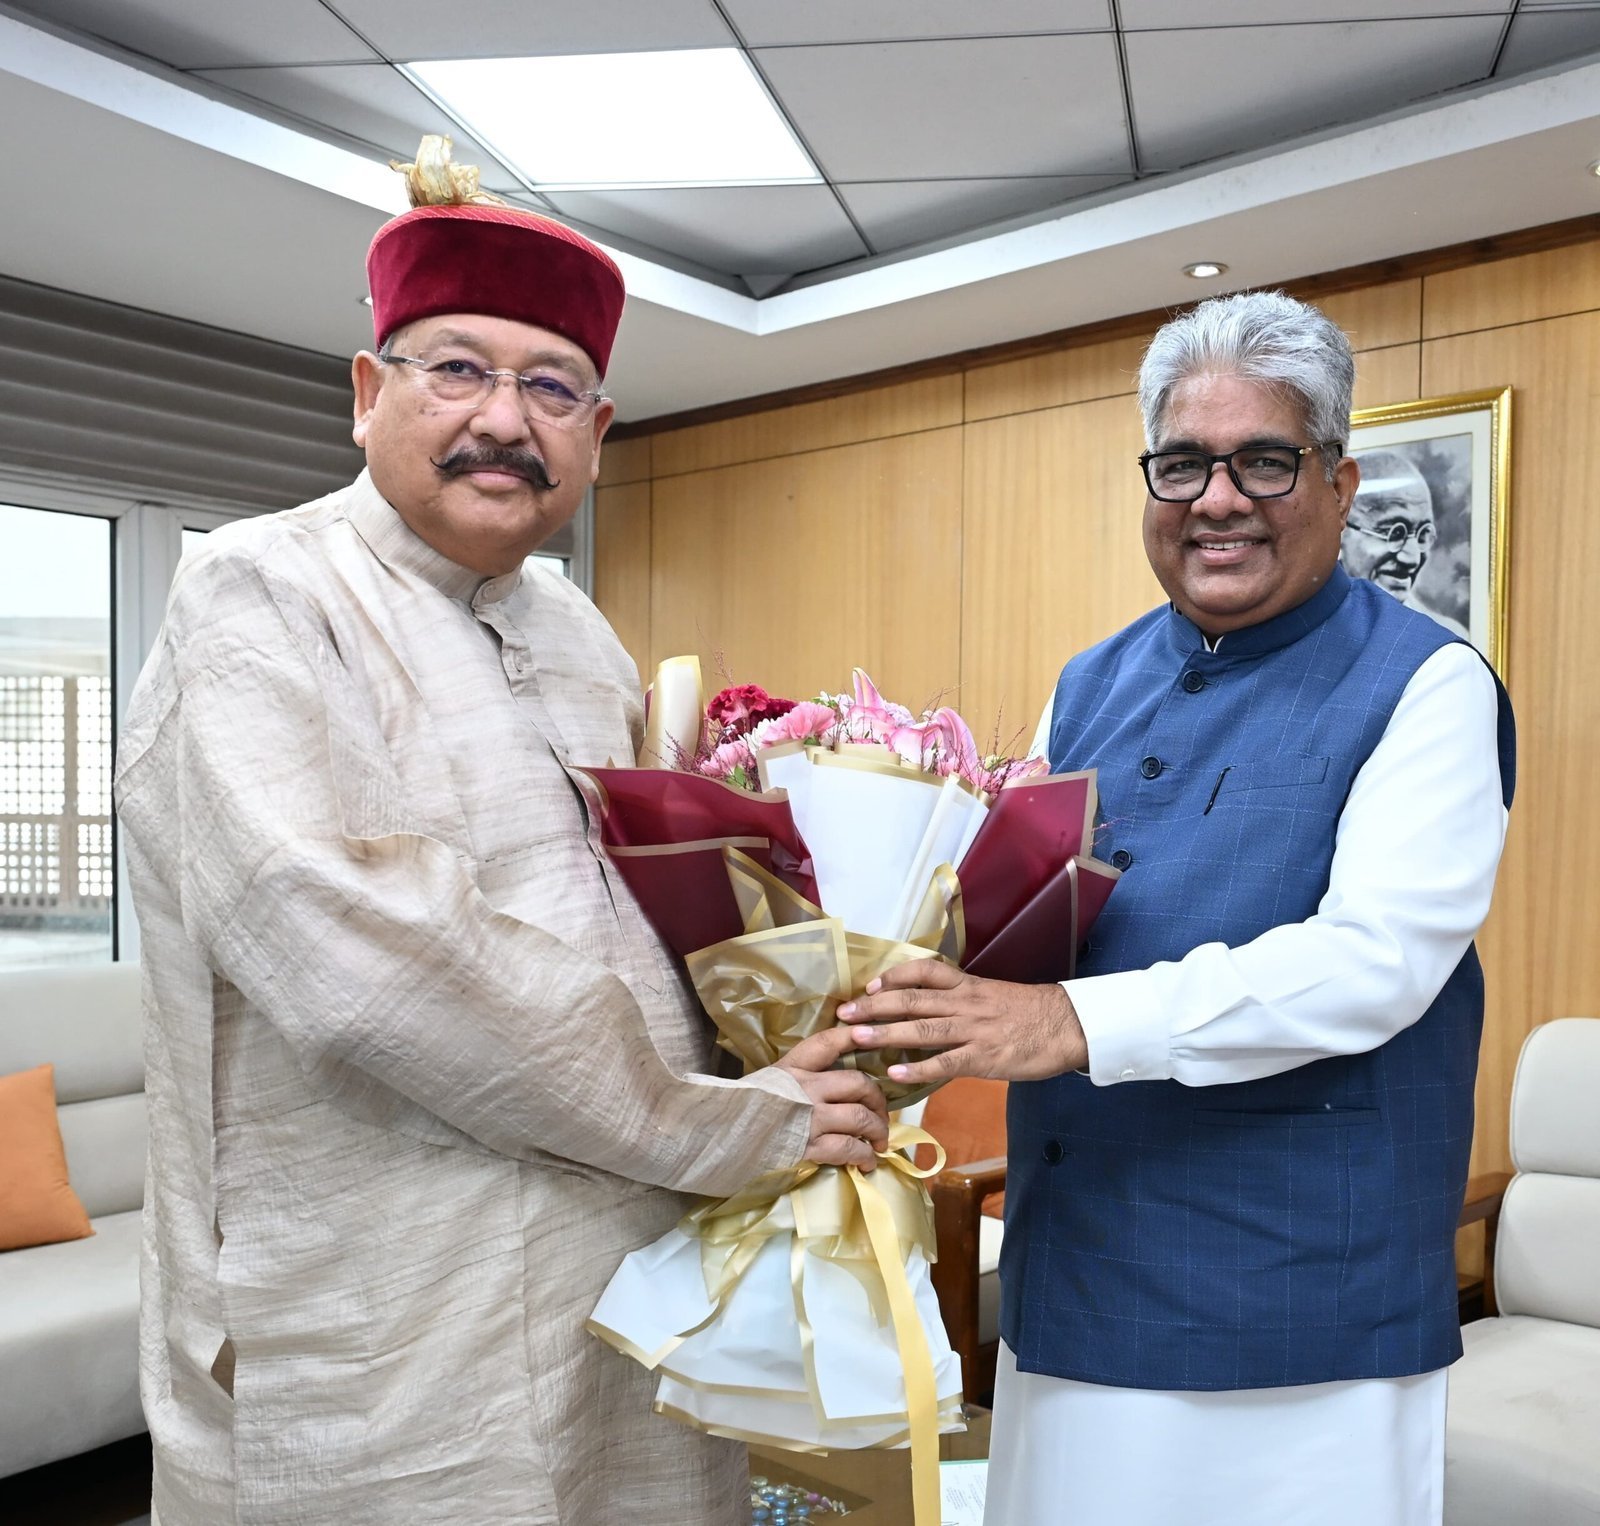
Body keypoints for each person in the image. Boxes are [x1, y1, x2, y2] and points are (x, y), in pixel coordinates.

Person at [113, 137, 886, 1525]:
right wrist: (718, 1127)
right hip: (395, 1299)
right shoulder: (260, 594)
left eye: (551, 386)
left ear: (598, 427)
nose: (504, 419)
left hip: (626, 1269)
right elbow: (363, 963)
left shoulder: (578, 631)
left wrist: (807, 994)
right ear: (369, 393)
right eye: (458, 368)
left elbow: (661, 910)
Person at [841, 290, 1514, 1525]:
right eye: (1183, 462)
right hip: (1076, 1266)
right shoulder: (1088, 680)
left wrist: (1066, 1022)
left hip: (1299, 1307)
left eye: (1264, 460)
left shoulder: (1427, 682)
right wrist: (867, 986)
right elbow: (1018, 922)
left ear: (1337, 483)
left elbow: (1373, 961)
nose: (1217, 498)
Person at [1342, 447, 1470, 636]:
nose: (1412, 559)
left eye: (1422, 535)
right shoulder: (1306, 629)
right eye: (1395, 533)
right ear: (1342, 530)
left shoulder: (1442, 640)